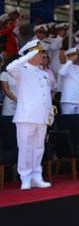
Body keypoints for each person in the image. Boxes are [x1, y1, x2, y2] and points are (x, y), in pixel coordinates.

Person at [7, 40, 53, 190]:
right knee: (25, 147)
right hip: (26, 116)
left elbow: (46, 96)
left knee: (39, 147)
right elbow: (9, 67)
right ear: (31, 54)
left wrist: (49, 112)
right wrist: (28, 55)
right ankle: (25, 178)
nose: (43, 55)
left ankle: (36, 176)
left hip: (41, 117)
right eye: (40, 53)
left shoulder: (43, 73)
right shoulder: (21, 69)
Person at [58, 47, 79, 115]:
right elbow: (61, 73)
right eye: (74, 55)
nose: (76, 57)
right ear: (68, 56)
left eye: (78, 55)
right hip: (68, 100)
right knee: (68, 122)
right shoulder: (64, 66)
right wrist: (70, 61)